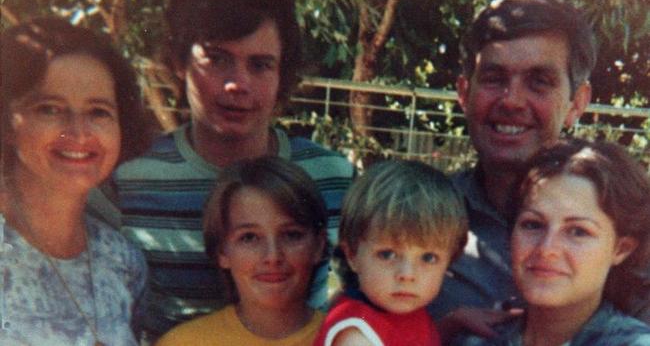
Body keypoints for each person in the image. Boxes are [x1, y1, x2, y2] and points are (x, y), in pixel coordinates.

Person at [87, 0, 354, 339]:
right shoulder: (129, 178)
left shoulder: (332, 177)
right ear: (180, 63)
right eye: (216, 59)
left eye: (260, 65)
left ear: (282, 75)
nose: (237, 84)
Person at [427, 0, 631, 336]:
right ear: (464, 93)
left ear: (576, 104)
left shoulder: (626, 228)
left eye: (540, 81)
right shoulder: (417, 217)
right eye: (494, 78)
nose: (513, 101)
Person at [0, 17, 150, 345]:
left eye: (98, 112)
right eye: (50, 109)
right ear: (8, 124)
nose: (79, 133)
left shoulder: (122, 261)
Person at [456, 139, 650, 345]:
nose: (546, 249)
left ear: (621, 249)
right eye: (533, 225)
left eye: (578, 231)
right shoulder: (476, 341)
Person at [155, 156, 327, 345]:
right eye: (249, 237)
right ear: (222, 250)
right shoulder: (183, 343)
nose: (273, 256)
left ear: (318, 245)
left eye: (292, 235)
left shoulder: (349, 337)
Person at [314, 160, 468, 346]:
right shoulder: (357, 334)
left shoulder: (411, 313)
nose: (407, 274)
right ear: (352, 256)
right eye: (387, 254)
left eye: (428, 258)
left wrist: (454, 322)